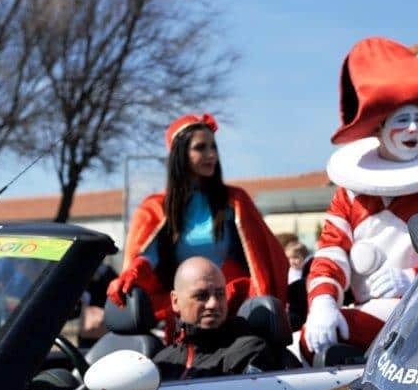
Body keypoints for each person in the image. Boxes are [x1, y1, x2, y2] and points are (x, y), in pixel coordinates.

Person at [302, 37, 418, 357]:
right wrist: (323, 303)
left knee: (343, 329)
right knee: (307, 341)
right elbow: (330, 254)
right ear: (378, 129)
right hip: (366, 314)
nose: (413, 130)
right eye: (402, 121)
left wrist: (411, 280)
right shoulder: (350, 192)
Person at [108, 113, 289, 334]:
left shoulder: (235, 200)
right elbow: (148, 256)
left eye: (213, 147)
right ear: (180, 154)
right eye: (200, 147)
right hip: (185, 311)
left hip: (230, 307)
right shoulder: (156, 207)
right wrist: (133, 272)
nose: (211, 154)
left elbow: (264, 257)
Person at [152, 257, 279, 380]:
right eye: (201, 296)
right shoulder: (163, 361)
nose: (213, 304)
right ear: (175, 301)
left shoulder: (247, 351)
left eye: (220, 294)